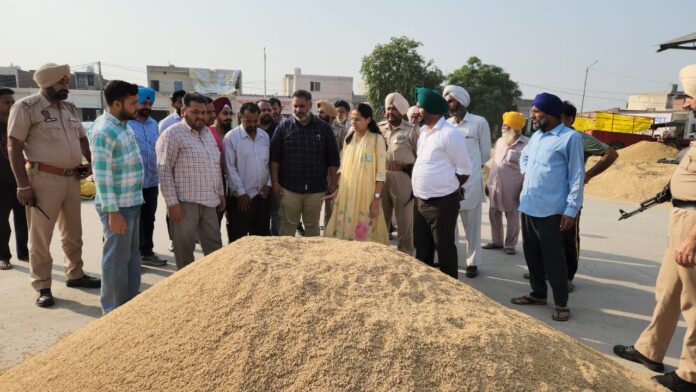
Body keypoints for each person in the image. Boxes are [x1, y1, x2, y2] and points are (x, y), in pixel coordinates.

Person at [613, 64, 696, 392]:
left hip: (693, 225)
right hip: (680, 217)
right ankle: (651, 350)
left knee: (693, 301)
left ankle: (691, 375)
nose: (686, 103)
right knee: (668, 292)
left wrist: (692, 239)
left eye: (690, 96)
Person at [8, 63, 100, 307]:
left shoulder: (68, 108)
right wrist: (23, 185)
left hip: (72, 179)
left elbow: (82, 138)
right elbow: (14, 147)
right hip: (42, 180)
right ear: (46, 82)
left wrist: (90, 164)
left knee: (73, 232)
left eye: (67, 80)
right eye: (62, 81)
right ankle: (42, 285)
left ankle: (75, 273)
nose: (66, 85)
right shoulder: (26, 107)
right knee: (40, 237)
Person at [510, 92, 584, 323]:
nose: (532, 114)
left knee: (554, 258)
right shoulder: (537, 137)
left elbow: (577, 175)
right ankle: (538, 293)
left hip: (552, 209)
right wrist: (528, 172)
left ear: (551, 113)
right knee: (531, 253)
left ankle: (561, 302)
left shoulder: (570, 138)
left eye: (536, 111)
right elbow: (524, 158)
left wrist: (571, 209)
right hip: (529, 204)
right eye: (532, 110)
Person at [88, 81, 144, 313]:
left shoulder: (122, 124)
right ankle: (111, 310)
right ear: (117, 103)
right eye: (132, 103)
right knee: (115, 261)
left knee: (130, 257)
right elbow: (102, 177)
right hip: (117, 207)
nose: (137, 107)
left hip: (131, 202)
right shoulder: (104, 131)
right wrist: (113, 212)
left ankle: (130, 305)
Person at [156, 93, 225, 269]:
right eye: (195, 112)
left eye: (203, 112)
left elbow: (214, 165)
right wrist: (172, 203)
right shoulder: (172, 134)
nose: (200, 116)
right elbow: (164, 170)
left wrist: (220, 193)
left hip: (209, 202)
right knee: (185, 252)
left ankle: (215, 288)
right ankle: (185, 291)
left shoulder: (208, 133)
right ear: (183, 111)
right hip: (184, 203)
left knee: (215, 250)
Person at [412, 88, 471, 279]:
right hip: (420, 201)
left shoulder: (449, 134)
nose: (416, 110)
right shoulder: (423, 132)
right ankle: (427, 290)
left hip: (442, 203)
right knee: (422, 249)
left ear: (431, 110)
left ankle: (452, 295)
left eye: (420, 107)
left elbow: (465, 169)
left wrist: (449, 188)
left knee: (444, 248)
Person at [561, 101, 618, 292]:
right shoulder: (548, 136)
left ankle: (567, 276)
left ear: (570, 119)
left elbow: (610, 154)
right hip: (548, 195)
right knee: (548, 234)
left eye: (559, 117)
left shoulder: (579, 138)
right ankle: (545, 270)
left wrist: (590, 174)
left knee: (568, 236)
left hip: (570, 196)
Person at [270, 89, 340, 237]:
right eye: (295, 106)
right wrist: (275, 183)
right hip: (289, 189)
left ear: (310, 105)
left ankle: (312, 260)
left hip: (316, 190)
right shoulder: (283, 127)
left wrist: (334, 184)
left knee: (312, 227)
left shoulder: (324, 129)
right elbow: (274, 158)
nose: (298, 110)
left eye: (301, 106)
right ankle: (286, 259)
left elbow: (333, 159)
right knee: (288, 227)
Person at [443, 85, 491, 278]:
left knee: (472, 227)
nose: (449, 105)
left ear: (461, 101)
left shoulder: (479, 122)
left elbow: (486, 152)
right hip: (449, 182)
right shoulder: (446, 124)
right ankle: (453, 259)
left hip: (471, 183)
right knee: (450, 226)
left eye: (452, 101)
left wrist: (470, 174)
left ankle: (472, 262)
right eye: (447, 102)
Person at [323, 103, 388, 244]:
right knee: (343, 233)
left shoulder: (377, 140)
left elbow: (381, 172)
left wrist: (377, 198)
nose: (353, 122)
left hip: (367, 194)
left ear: (368, 120)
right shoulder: (349, 139)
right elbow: (342, 167)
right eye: (352, 119)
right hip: (347, 192)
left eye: (357, 119)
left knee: (366, 237)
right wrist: (338, 189)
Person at [128, 86, 166, 267]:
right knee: (131, 221)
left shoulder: (153, 124)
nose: (148, 106)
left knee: (148, 218)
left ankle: (146, 251)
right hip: (132, 183)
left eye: (150, 103)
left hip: (151, 181)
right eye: (144, 102)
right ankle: (131, 257)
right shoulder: (126, 123)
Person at [224, 102, 271, 242]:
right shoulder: (231, 137)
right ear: (240, 117)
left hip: (262, 197)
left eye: (255, 121)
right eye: (248, 121)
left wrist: (268, 184)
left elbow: (268, 164)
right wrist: (240, 193)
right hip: (242, 200)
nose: (252, 124)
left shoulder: (264, 136)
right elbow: (229, 168)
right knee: (239, 241)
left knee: (261, 241)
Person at [378, 92, 419, 253]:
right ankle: (382, 255)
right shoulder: (379, 128)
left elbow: (420, 157)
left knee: (405, 222)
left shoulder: (412, 130)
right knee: (381, 220)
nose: (390, 112)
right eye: (388, 109)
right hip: (381, 177)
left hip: (403, 178)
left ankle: (406, 256)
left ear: (401, 111)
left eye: (394, 109)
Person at [482, 112, 528, 255]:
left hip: (513, 189)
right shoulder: (500, 142)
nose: (502, 128)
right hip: (494, 185)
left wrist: (524, 189)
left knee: (512, 217)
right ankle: (497, 242)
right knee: (494, 213)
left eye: (505, 126)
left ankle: (510, 245)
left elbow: (529, 170)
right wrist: (486, 182)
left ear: (514, 128)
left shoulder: (527, 145)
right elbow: (493, 163)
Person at [0, 88, 28, 270]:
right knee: (2, 221)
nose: (11, 105)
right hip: (2, 182)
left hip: (22, 179)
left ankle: (24, 252)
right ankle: (3, 256)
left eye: (12, 101)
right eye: (6, 102)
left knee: (23, 220)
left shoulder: (18, 124)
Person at [258, 99, 281, 236]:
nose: (266, 112)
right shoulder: (252, 129)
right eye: (263, 110)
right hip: (258, 182)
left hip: (277, 180)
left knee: (277, 215)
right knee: (261, 217)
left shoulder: (280, 129)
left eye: (269, 110)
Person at [317, 100, 339, 227]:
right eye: (318, 112)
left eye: (322, 113)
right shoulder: (315, 128)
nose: (319, 115)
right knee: (315, 210)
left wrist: (335, 181)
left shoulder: (341, 131)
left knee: (331, 212)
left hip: (333, 176)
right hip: (319, 175)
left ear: (330, 115)